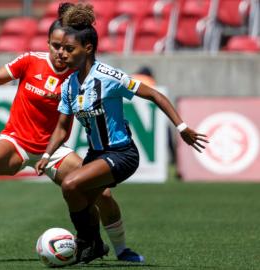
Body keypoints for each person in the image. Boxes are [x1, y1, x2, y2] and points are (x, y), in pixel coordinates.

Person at [0, 3, 144, 263]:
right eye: (54, 45)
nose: (60, 52)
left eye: (65, 46)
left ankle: (120, 249)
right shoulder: (29, 61)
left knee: (102, 193)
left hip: (55, 149)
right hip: (17, 142)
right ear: (47, 43)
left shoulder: (78, 72)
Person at [35, 3, 209, 264]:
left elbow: (153, 94)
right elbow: (61, 127)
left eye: (69, 49)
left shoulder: (108, 75)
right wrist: (47, 155)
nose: (62, 54)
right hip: (96, 155)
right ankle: (98, 244)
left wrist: (182, 128)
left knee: (71, 184)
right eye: (59, 48)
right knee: (87, 198)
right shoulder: (69, 84)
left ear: (88, 49)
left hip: (122, 153)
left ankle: (86, 242)